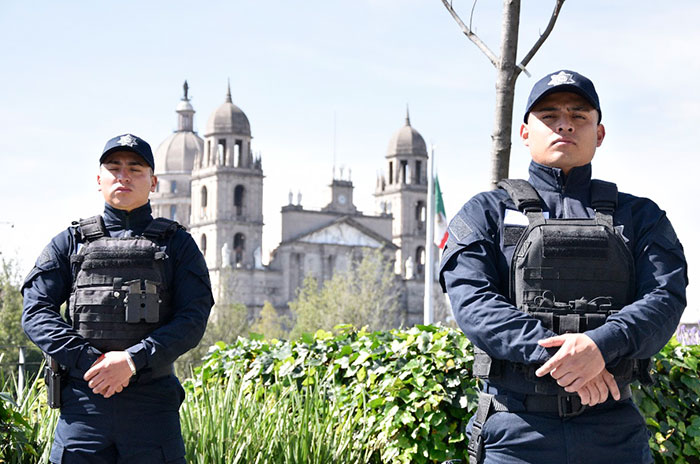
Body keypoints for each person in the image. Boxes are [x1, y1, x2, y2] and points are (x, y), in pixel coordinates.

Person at [439, 70, 687, 464]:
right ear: (525, 133)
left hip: (613, 430)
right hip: (515, 432)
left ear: (599, 133)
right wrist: (569, 360)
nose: (565, 124)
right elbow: (474, 305)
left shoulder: (642, 217)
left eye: (579, 115)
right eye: (549, 115)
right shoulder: (484, 213)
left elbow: (665, 300)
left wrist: (600, 346)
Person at [22, 133, 214, 463]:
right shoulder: (70, 243)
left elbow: (193, 318)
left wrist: (131, 360)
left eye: (135, 169)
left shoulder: (178, 245)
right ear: (99, 179)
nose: (123, 176)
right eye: (114, 168)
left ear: (153, 182)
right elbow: (36, 311)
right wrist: (90, 362)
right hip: (83, 407)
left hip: (151, 408)